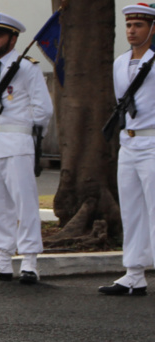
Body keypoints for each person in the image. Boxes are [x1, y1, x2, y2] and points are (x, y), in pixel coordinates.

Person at [0, 12, 53, 285]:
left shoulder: (27, 67)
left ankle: (29, 262)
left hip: (17, 143)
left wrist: (29, 133)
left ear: (13, 39)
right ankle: (2, 260)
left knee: (24, 204)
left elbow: (44, 110)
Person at [99, 4, 155, 296]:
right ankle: (134, 273)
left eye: (139, 26)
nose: (132, 31)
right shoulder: (119, 63)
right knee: (132, 209)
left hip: (153, 141)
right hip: (128, 142)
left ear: (152, 29)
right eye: (129, 26)